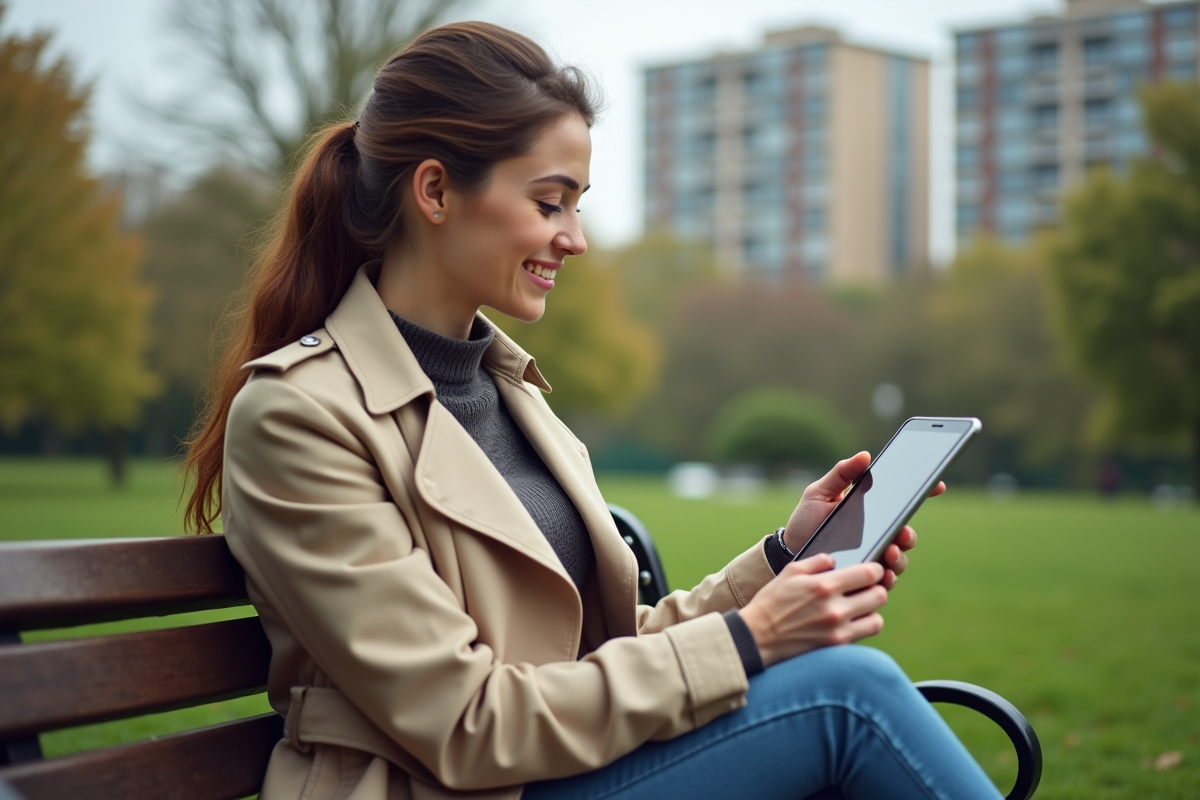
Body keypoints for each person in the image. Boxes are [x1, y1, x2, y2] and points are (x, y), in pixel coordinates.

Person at [184, 21, 1003, 800]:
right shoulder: (298, 416)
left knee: (843, 695)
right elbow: (466, 723)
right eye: (550, 202)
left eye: (577, 204)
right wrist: (754, 639)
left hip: (561, 771)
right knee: (846, 697)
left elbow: (600, 662)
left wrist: (784, 560)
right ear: (434, 190)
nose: (574, 238)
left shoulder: (509, 393)